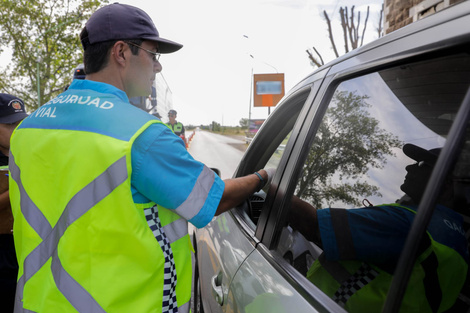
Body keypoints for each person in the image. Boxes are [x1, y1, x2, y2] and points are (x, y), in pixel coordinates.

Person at [8, 3, 274, 313]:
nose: (158, 67)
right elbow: (211, 200)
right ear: (121, 53)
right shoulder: (141, 135)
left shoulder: (28, 128)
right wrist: (263, 177)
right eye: (153, 54)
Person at [288, 143, 469, 313]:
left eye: (421, 164)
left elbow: (312, 225)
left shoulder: (408, 222)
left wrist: (267, 179)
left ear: (445, 185)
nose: (409, 167)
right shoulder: (460, 248)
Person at [0, 93, 28, 313]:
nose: (17, 129)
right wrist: (18, 185)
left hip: (25, 244)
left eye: (20, 122)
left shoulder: (28, 153)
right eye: (10, 124)